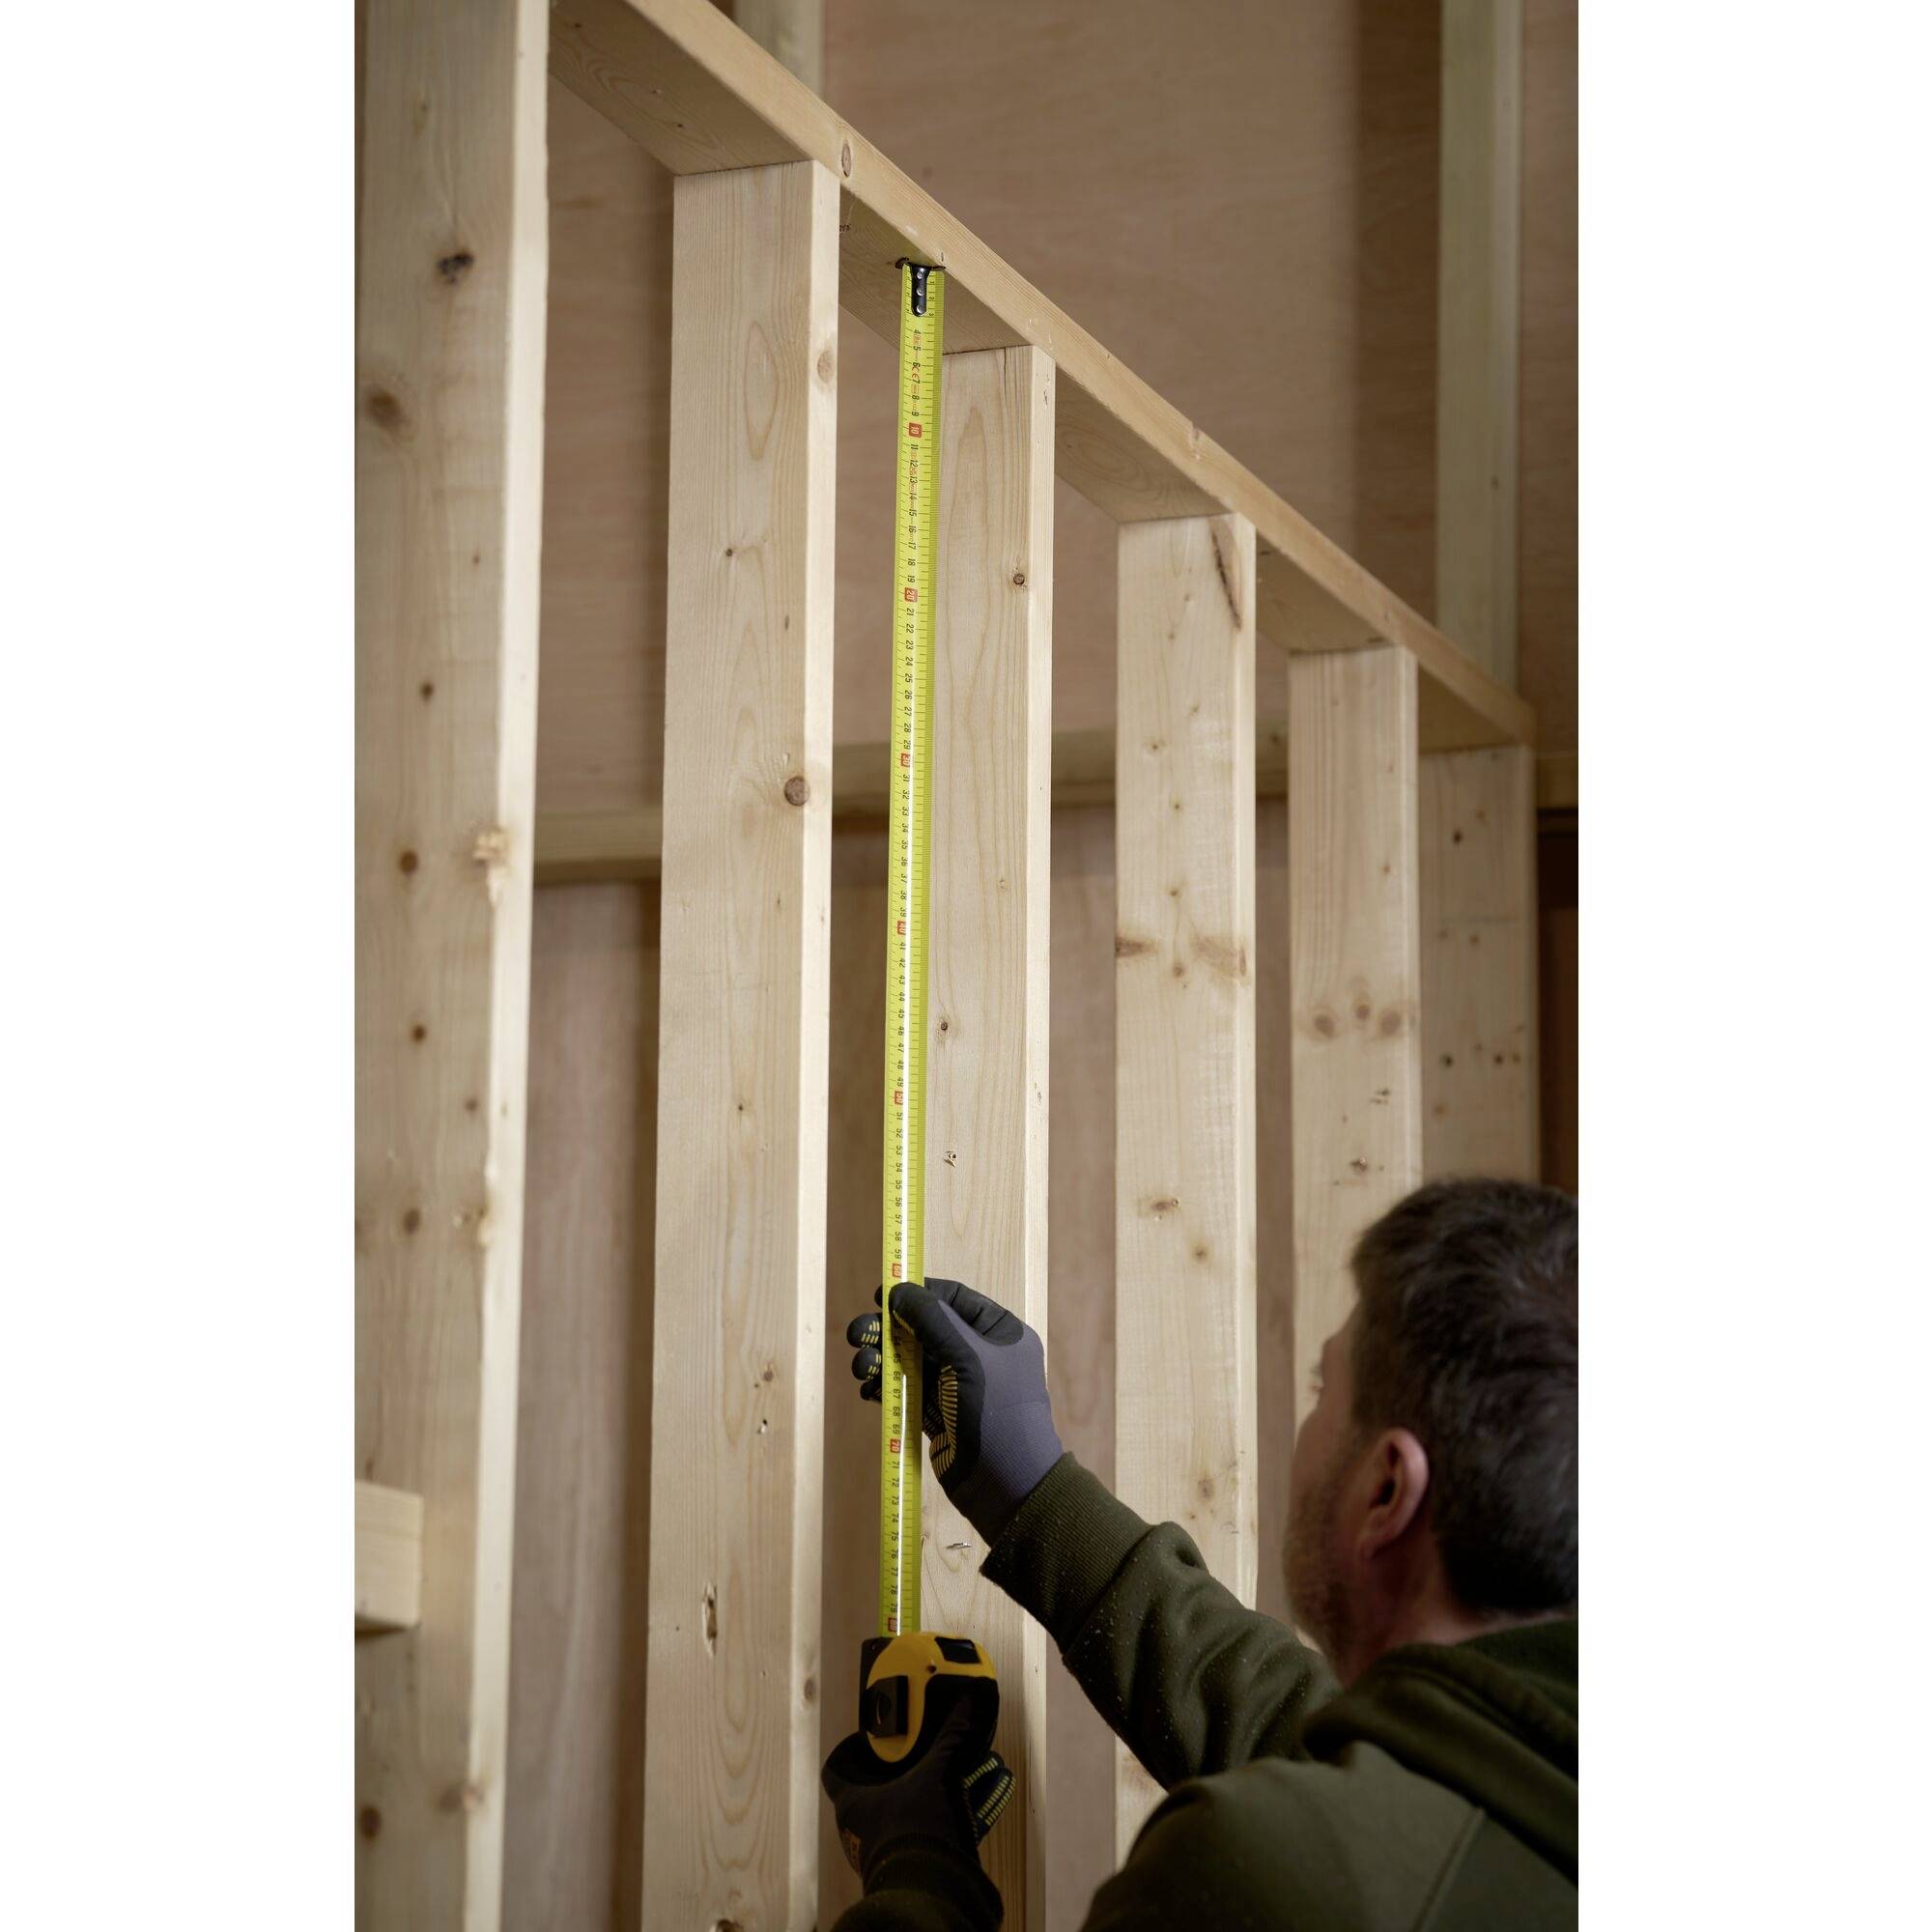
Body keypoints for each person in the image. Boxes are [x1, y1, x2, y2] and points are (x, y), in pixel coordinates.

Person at [821, 1177, 1578, 1929]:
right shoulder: (1535, 1775)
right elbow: (1302, 1728)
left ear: (1386, 1490)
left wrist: (919, 1866)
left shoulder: (1248, 1879)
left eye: (1322, 1386)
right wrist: (1036, 1495)